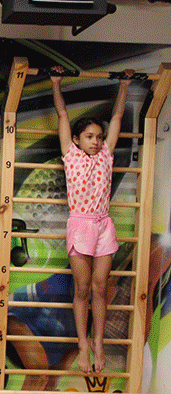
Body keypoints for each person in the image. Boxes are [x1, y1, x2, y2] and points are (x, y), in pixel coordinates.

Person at [51, 66, 133, 374]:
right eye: (89, 137)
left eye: (98, 137)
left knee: (101, 288)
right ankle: (83, 346)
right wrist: (56, 84)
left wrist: (123, 86)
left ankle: (98, 342)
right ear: (76, 140)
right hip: (81, 224)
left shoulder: (106, 156)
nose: (96, 141)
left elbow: (116, 119)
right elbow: (62, 116)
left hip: (103, 225)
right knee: (82, 289)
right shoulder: (70, 155)